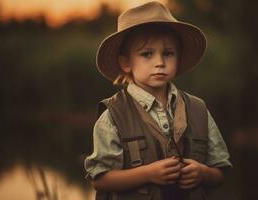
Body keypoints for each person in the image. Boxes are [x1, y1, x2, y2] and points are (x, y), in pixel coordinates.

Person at [84, 1, 232, 200]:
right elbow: (100, 180)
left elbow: (220, 174)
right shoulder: (113, 114)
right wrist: (147, 174)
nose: (160, 62)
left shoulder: (198, 109)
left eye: (168, 53)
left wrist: (202, 173)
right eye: (147, 54)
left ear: (178, 58)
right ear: (126, 63)